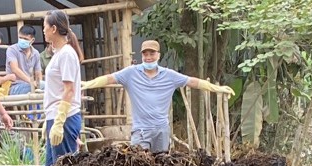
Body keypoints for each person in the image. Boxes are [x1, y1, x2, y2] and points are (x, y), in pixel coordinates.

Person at [81, 40, 233, 153]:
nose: (148, 57)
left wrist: (217, 88)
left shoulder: (169, 76)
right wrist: (88, 84)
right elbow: (108, 79)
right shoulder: (131, 73)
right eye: (145, 54)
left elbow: (193, 81)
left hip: (161, 130)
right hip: (141, 131)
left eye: (152, 53)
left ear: (158, 55)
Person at [42, 10, 83, 166]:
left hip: (65, 117)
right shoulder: (59, 54)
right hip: (56, 116)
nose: (43, 30)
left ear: (53, 29)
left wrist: (59, 121)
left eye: (44, 26)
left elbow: (69, 90)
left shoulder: (66, 54)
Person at [6, 25, 42, 96]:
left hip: (30, 85)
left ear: (32, 40)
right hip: (14, 86)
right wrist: (31, 82)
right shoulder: (12, 49)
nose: (22, 40)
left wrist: (39, 84)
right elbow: (15, 69)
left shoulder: (36, 53)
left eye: (25, 39)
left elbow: (38, 72)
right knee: (32, 88)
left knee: (46, 86)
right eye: (20, 38)